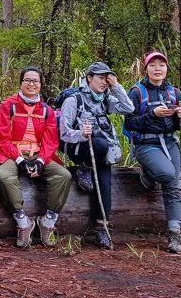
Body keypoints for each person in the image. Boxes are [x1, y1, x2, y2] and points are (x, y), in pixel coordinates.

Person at [0, 66, 71, 248]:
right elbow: (1, 138)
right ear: (21, 83)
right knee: (3, 176)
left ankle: (48, 222)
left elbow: (51, 141)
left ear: (41, 85)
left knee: (64, 175)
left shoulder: (47, 111)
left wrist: (41, 161)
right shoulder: (7, 106)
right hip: (11, 154)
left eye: (35, 81)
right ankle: (23, 222)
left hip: (38, 155)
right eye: (27, 80)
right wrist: (19, 160)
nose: (31, 84)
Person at [58, 61, 134, 250]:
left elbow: (128, 108)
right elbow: (64, 133)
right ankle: (84, 169)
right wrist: (81, 134)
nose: (104, 82)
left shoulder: (105, 99)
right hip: (78, 148)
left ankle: (102, 228)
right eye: (100, 77)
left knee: (105, 181)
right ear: (89, 78)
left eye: (106, 78)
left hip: (100, 151)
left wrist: (116, 87)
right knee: (100, 143)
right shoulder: (74, 100)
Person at [123, 51, 181, 253]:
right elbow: (130, 123)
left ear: (167, 69)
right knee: (167, 174)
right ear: (146, 69)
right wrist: (152, 114)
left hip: (169, 143)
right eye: (153, 65)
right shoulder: (137, 92)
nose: (157, 69)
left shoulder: (174, 92)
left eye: (161, 65)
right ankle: (147, 176)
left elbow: (180, 126)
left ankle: (175, 235)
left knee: (173, 186)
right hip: (145, 144)